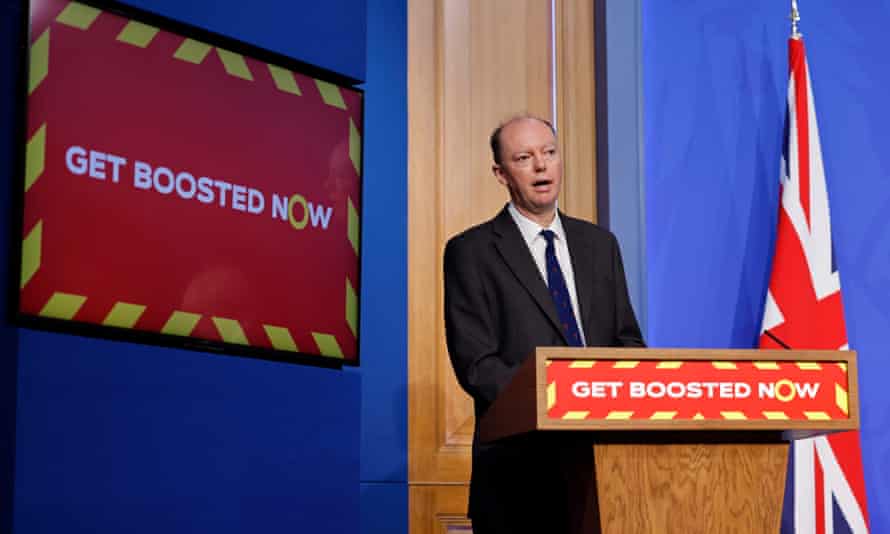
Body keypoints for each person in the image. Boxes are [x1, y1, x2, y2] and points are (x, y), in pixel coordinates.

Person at [443, 115, 645, 534]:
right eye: (524, 157)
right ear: (501, 173)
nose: (541, 166)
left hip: (606, 472)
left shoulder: (600, 245)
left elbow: (627, 342)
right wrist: (560, 400)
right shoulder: (471, 252)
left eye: (549, 153)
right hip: (519, 475)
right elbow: (477, 365)